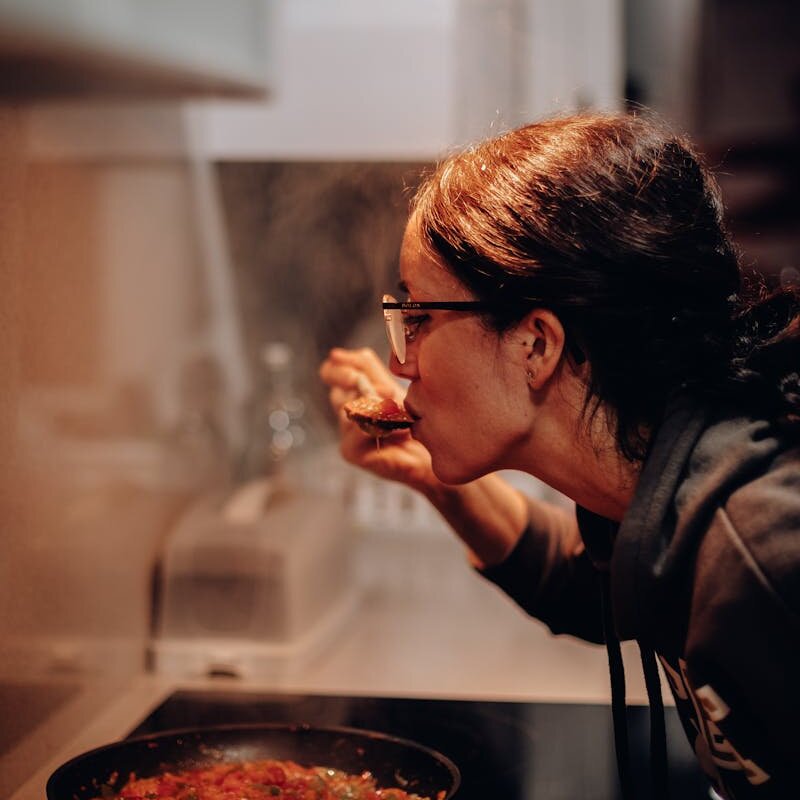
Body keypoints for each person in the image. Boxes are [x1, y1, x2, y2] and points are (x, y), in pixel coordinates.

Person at [319, 112, 800, 800]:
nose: (402, 362)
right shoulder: (668, 494)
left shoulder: (767, 554)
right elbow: (586, 584)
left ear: (535, 345)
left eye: (419, 319)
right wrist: (439, 479)